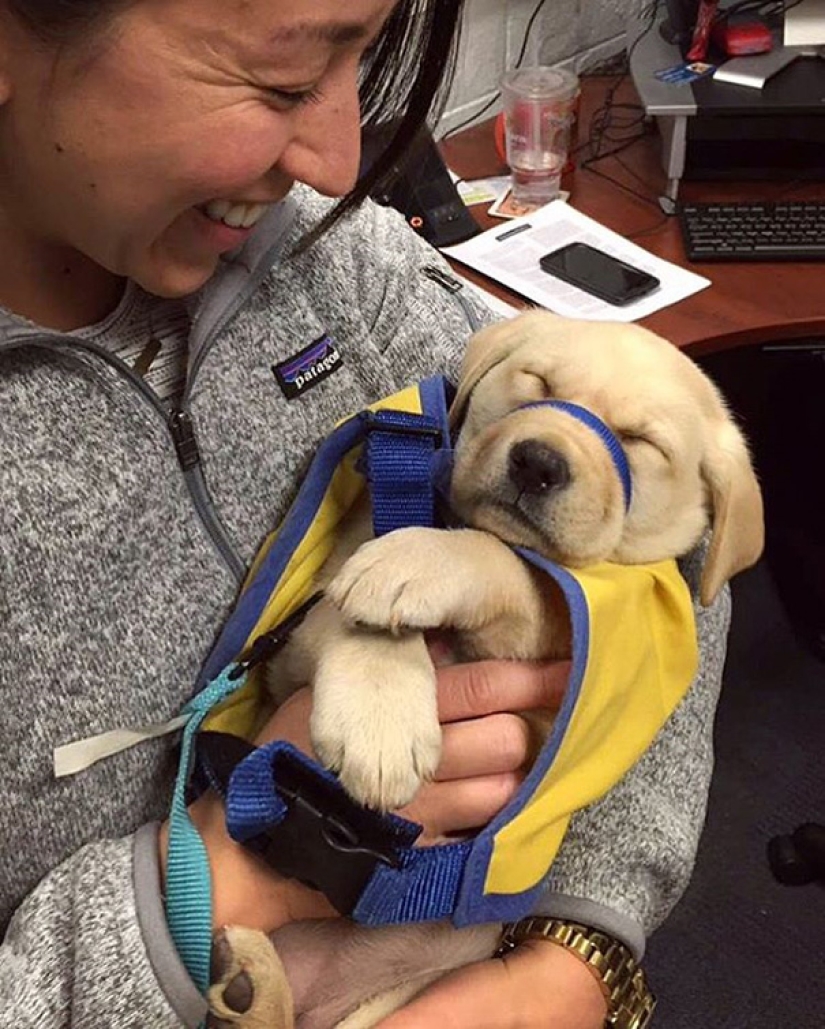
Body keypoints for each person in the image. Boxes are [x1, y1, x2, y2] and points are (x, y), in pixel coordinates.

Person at [0, 0, 731, 1026]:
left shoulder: (338, 266)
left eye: (367, 57)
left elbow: (672, 535)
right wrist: (220, 875)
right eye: (288, 80)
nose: (342, 162)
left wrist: (571, 952)